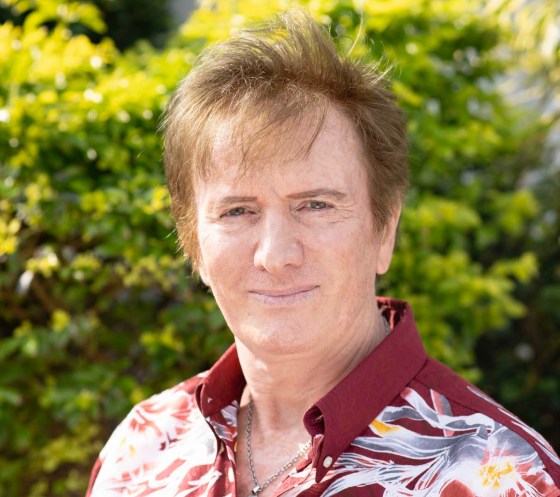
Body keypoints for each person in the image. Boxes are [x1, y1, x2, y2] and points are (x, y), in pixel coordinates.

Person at [86, 9, 560, 497]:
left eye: (316, 205)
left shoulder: (502, 477)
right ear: (193, 242)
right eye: (237, 211)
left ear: (384, 230)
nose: (275, 255)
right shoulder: (140, 452)